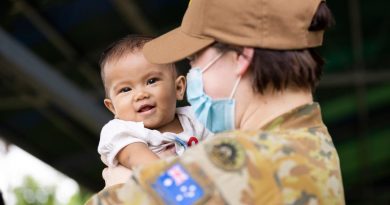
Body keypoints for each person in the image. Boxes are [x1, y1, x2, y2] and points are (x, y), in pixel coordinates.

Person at [86, 0, 345, 204]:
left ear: (241, 57)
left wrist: (120, 185)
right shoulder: (316, 147)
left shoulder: (233, 162)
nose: (192, 72)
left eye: (195, 57)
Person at [98, 35, 212, 187]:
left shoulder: (196, 117)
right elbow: (139, 159)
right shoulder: (118, 130)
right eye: (125, 89)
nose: (140, 94)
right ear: (113, 107)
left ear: (178, 88)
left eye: (151, 81)